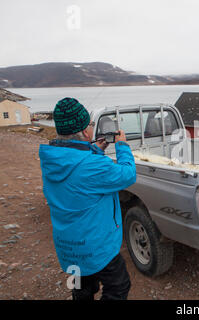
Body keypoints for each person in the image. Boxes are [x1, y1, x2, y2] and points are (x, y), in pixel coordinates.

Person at [39, 97, 136, 300]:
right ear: (85, 132)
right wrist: (123, 146)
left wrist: (95, 151)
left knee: (82, 289)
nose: (92, 128)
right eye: (91, 124)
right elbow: (127, 174)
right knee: (118, 288)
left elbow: (77, 170)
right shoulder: (92, 166)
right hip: (96, 247)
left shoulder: (52, 159)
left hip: (68, 246)